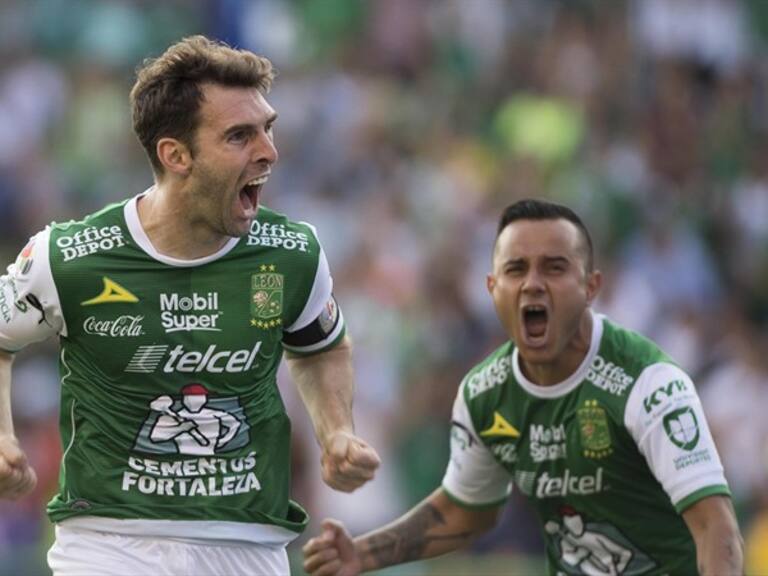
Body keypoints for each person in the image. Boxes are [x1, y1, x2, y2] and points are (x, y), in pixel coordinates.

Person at [0, 35, 380, 575]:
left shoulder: (294, 253)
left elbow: (319, 345)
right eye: (239, 136)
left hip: (250, 543)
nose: (269, 151)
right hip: (110, 540)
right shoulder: (69, 257)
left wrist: (337, 430)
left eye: (268, 128)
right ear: (175, 155)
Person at [303, 199, 743, 576]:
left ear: (591, 287)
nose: (533, 283)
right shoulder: (485, 392)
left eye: (555, 268)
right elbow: (464, 510)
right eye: (516, 269)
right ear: (493, 289)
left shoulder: (648, 383)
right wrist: (361, 553)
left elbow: (714, 526)